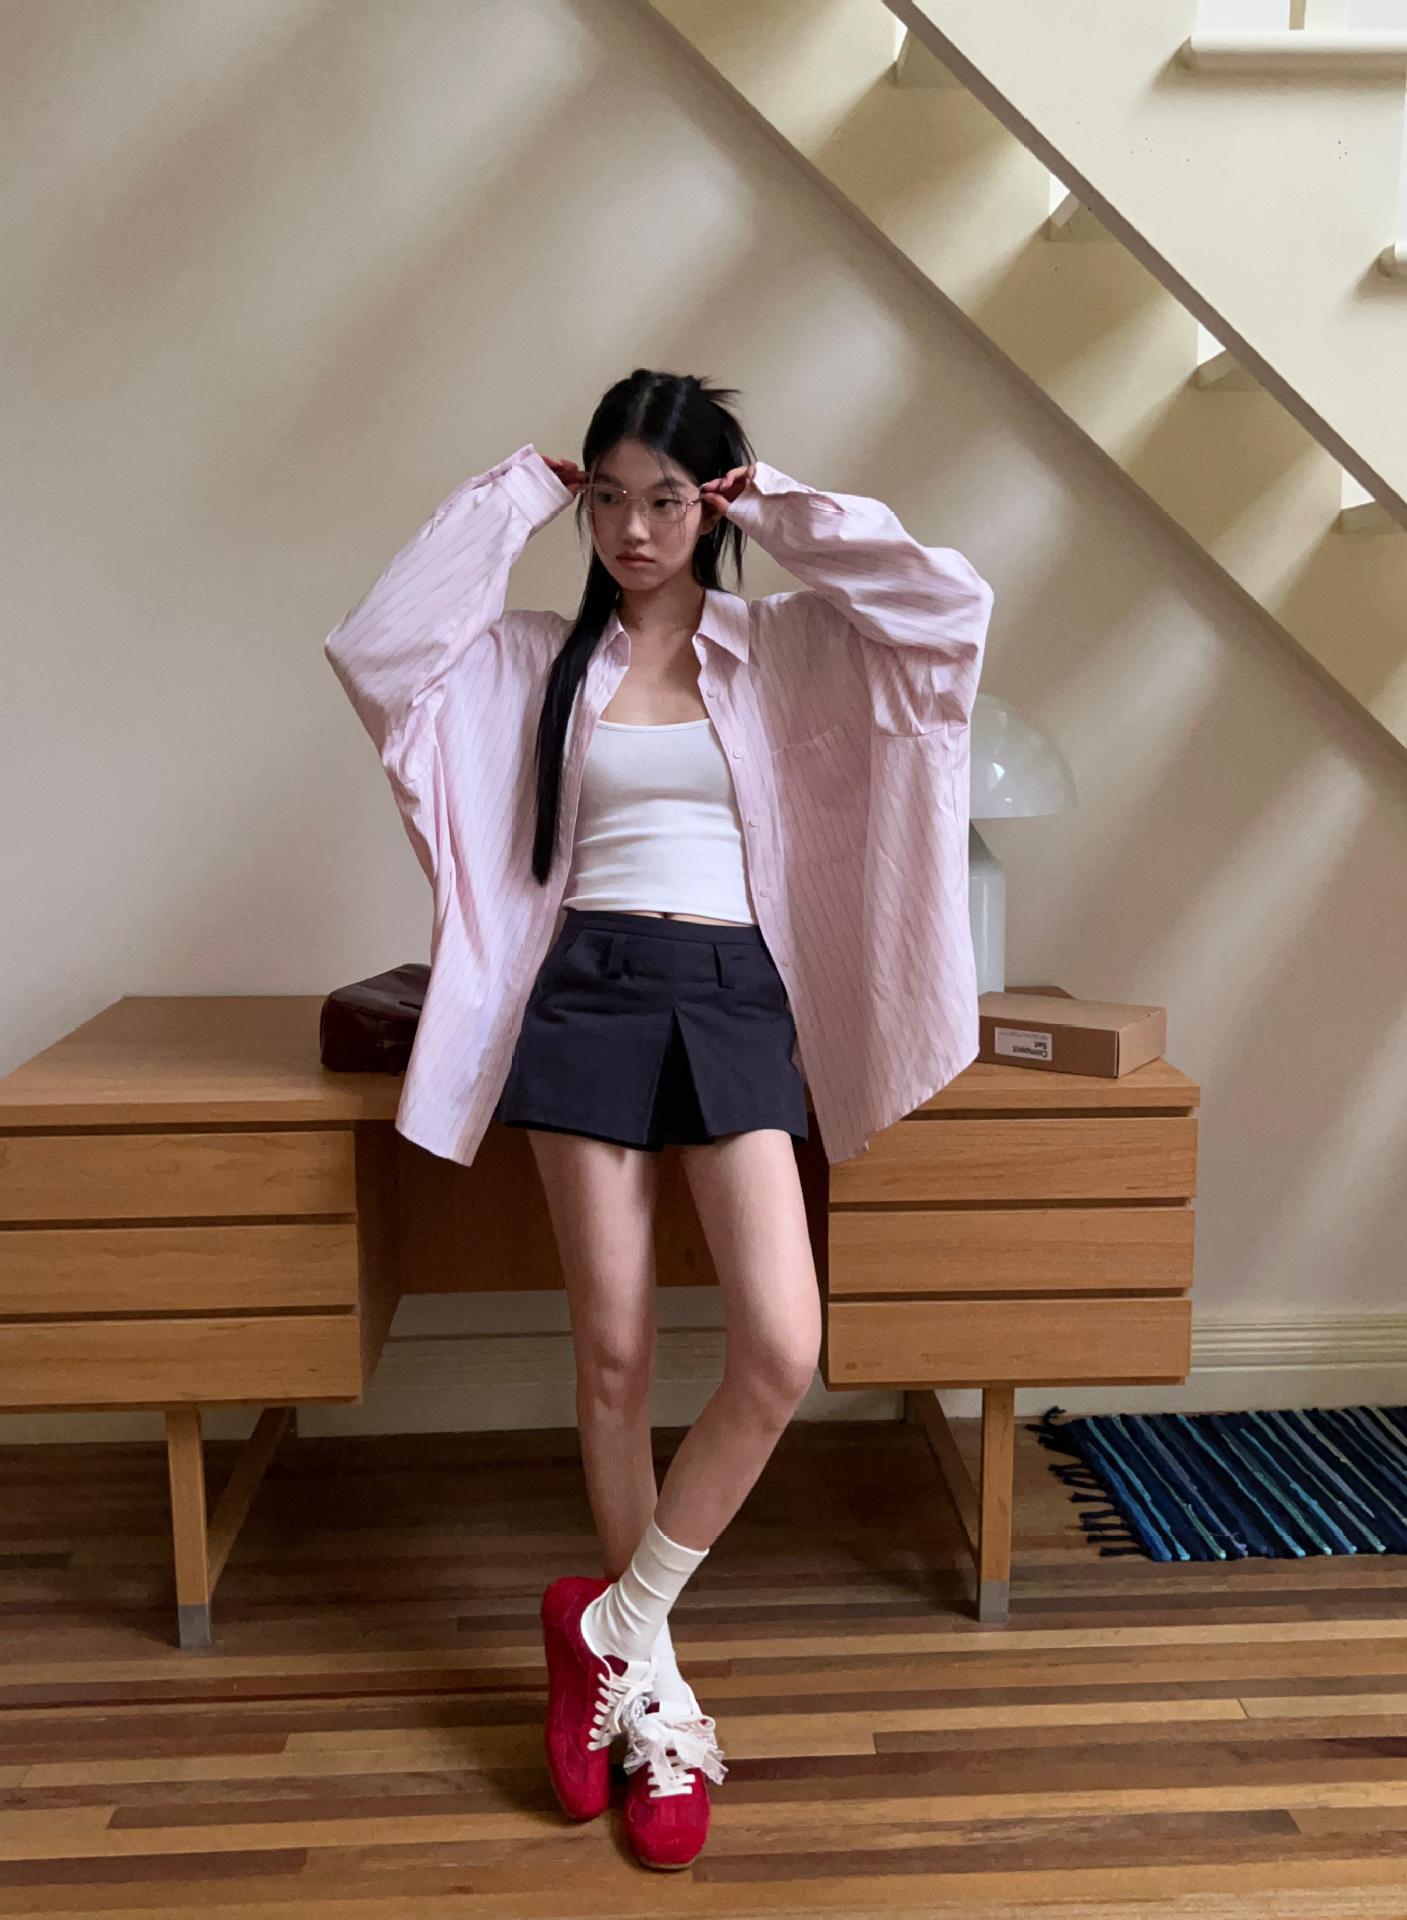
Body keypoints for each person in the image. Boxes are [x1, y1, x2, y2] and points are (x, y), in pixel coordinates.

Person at [324, 368, 993, 1870]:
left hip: (737, 991)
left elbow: (948, 611)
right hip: (587, 992)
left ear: (714, 504)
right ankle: (658, 1706)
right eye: (611, 500)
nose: (634, 528)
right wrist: (517, 492)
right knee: (614, 1354)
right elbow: (378, 649)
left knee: (781, 1343)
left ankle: (610, 1627)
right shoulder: (528, 661)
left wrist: (790, 511)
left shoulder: (789, 646)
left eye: (668, 499)